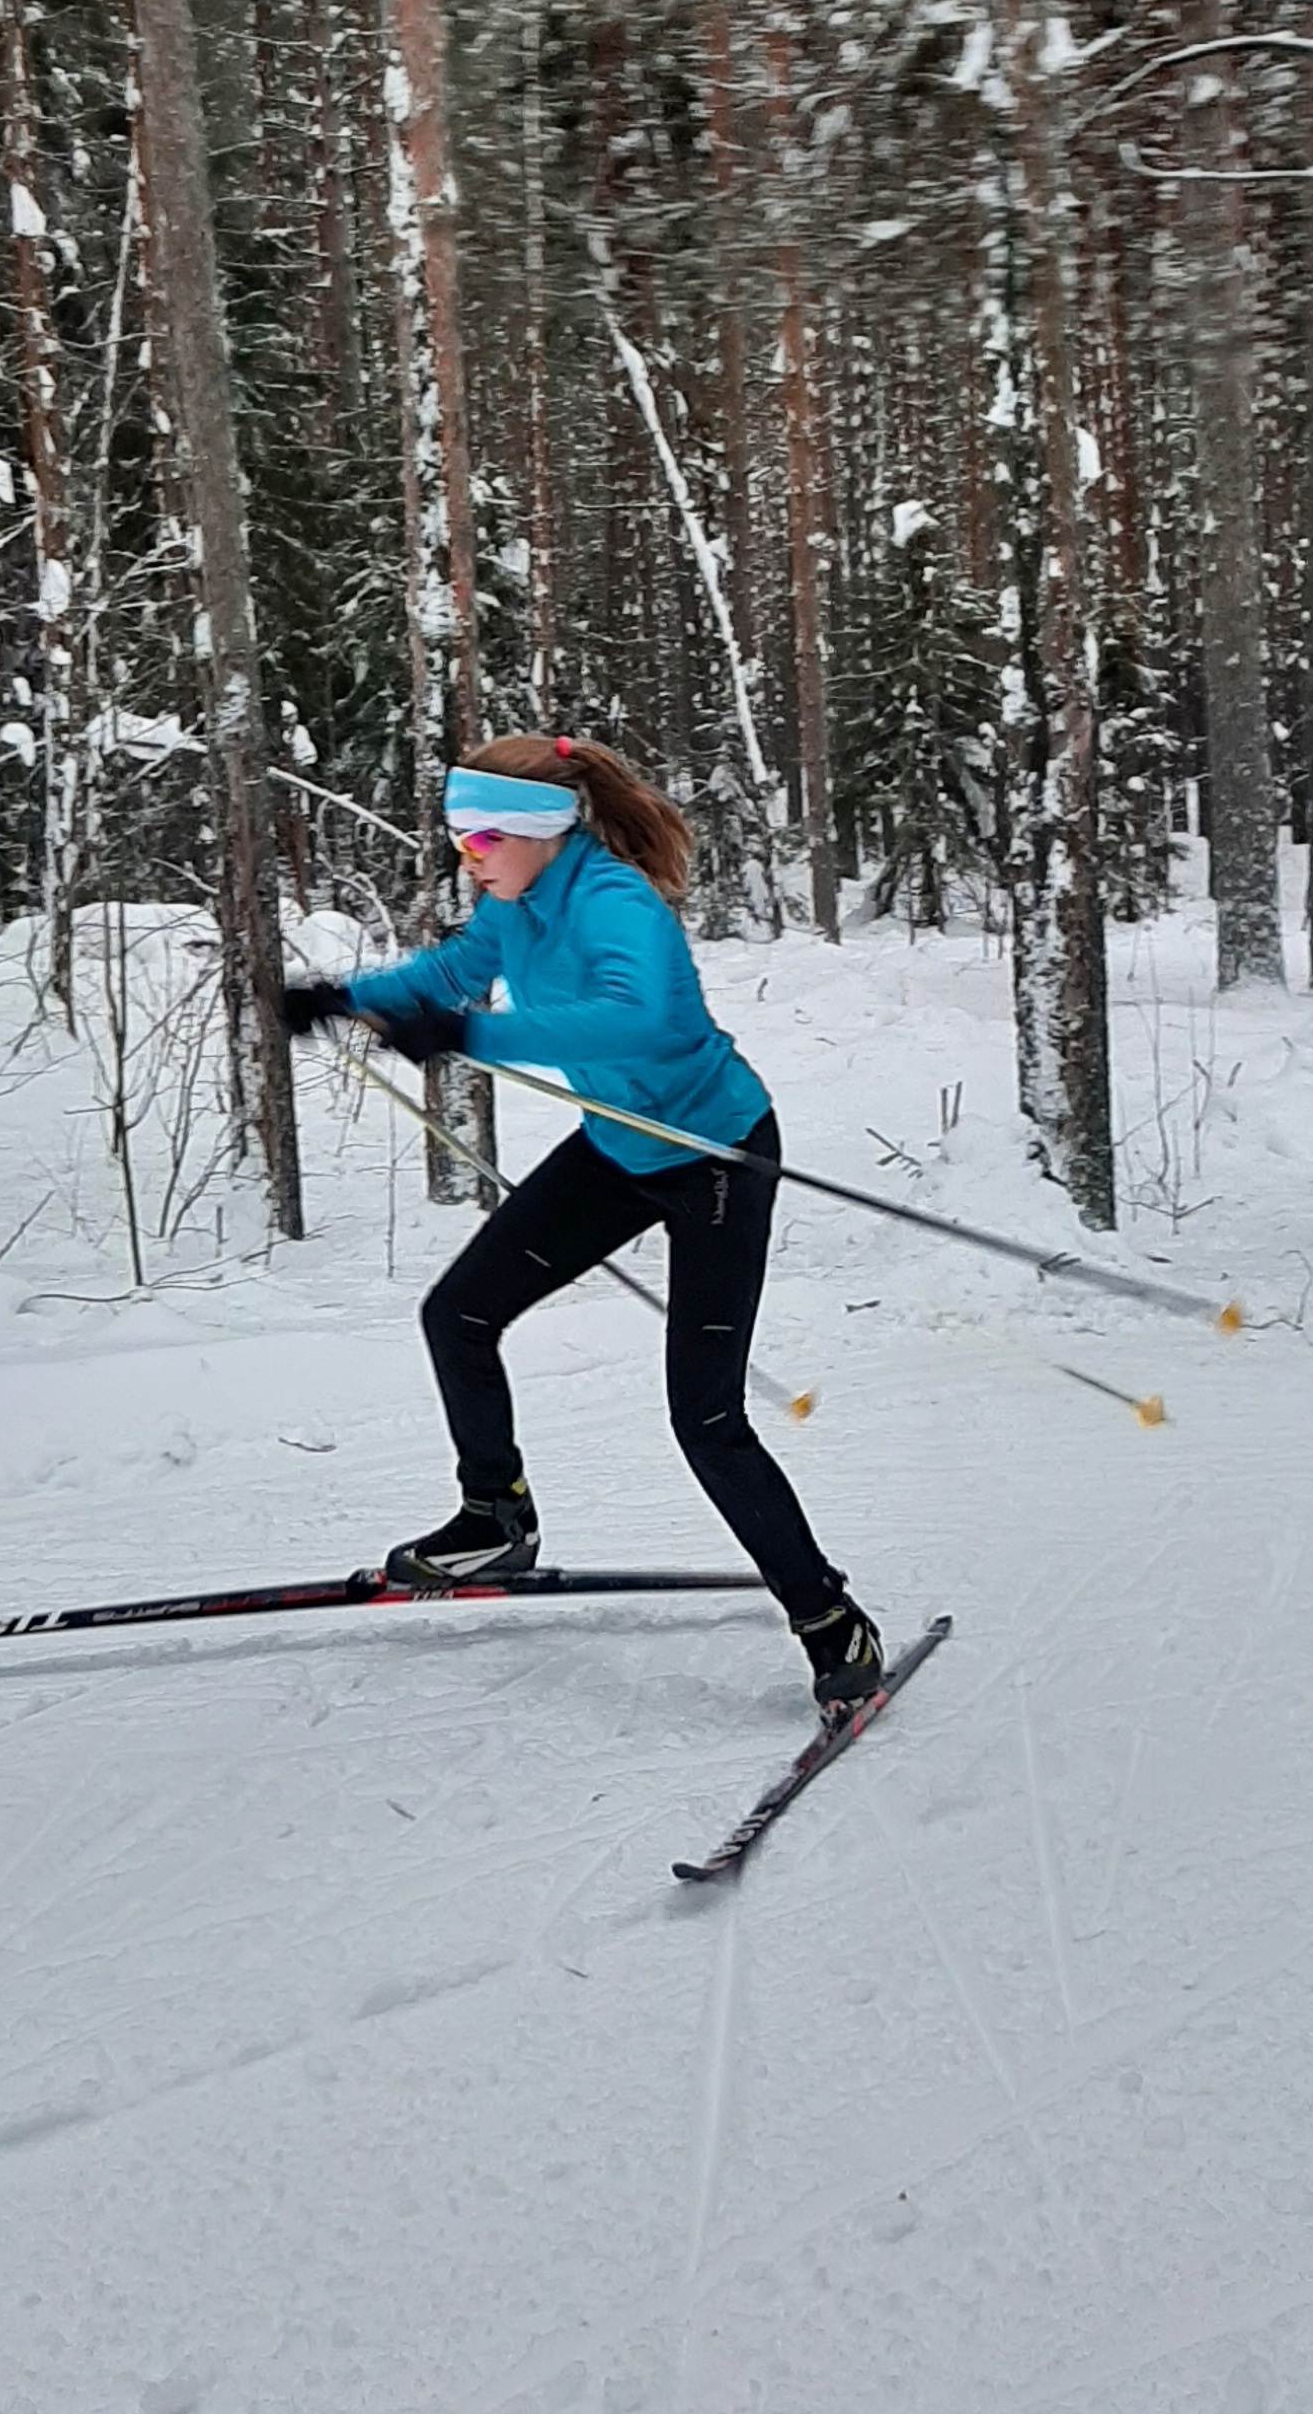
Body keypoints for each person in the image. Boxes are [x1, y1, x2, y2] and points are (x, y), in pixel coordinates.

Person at [281, 735, 887, 1727]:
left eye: (480, 836)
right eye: (457, 836)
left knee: (706, 1420)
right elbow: (452, 971)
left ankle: (832, 1623)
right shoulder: (511, 905)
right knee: (459, 1316)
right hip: (620, 1147)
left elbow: (634, 1023)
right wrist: (348, 1000)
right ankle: (494, 1517)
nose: (467, 854)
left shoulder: (617, 906)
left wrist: (470, 1034)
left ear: (538, 831)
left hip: (715, 1157)